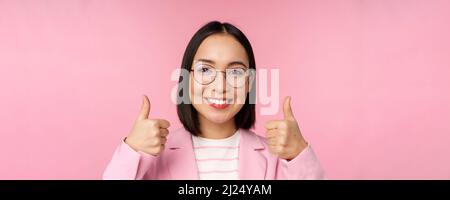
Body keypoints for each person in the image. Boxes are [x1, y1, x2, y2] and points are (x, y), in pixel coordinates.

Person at [103, 21, 324, 180]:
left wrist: (299, 153)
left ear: (249, 84)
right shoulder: (152, 154)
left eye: (236, 72)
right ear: (186, 80)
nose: (220, 87)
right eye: (205, 70)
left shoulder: (277, 157)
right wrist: (132, 150)